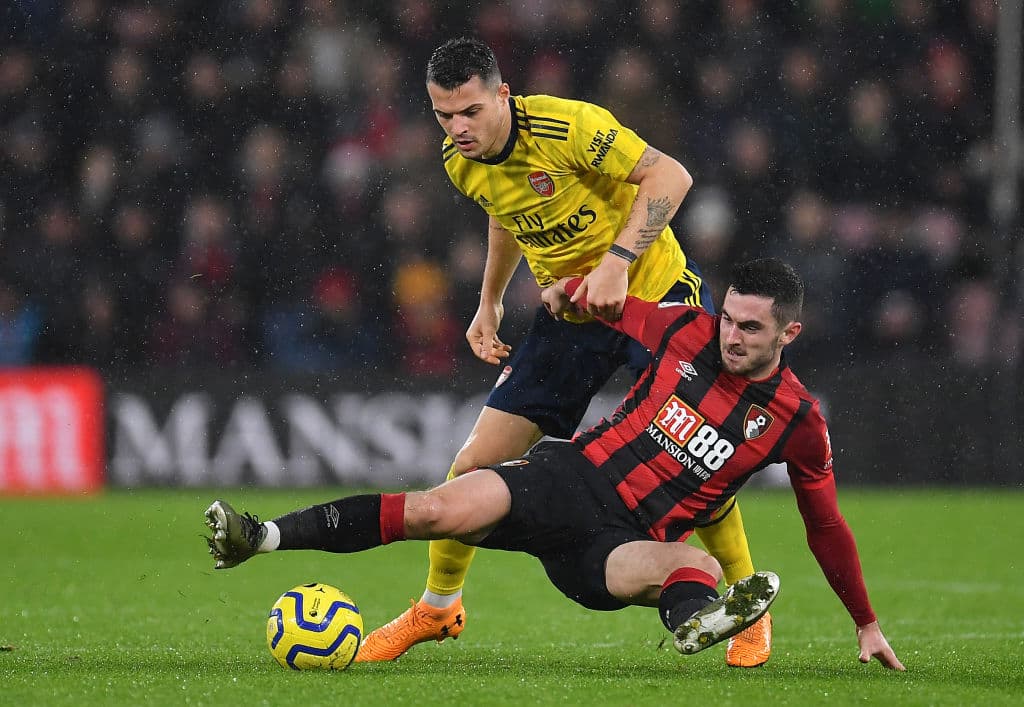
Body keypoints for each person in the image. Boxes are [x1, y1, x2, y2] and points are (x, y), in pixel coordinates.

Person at [204, 258, 904, 671]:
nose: (732, 336)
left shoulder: (797, 418)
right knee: (436, 507)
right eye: (729, 319)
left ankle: (697, 619)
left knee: (696, 568)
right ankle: (259, 536)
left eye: (751, 328)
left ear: (790, 333)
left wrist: (866, 622)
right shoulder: (685, 329)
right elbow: (610, 306)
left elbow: (826, 528)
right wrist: (570, 291)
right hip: (564, 479)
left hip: (620, 548)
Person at [357, 36, 772, 668]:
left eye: (470, 111)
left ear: (502, 94)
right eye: (444, 115)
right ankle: (438, 607)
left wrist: (617, 262)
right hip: (570, 315)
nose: (458, 128)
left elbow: (671, 175)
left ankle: (747, 605)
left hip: (656, 299)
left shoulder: (568, 125)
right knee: (474, 462)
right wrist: (489, 299)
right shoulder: (459, 160)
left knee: (694, 453)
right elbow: (505, 208)